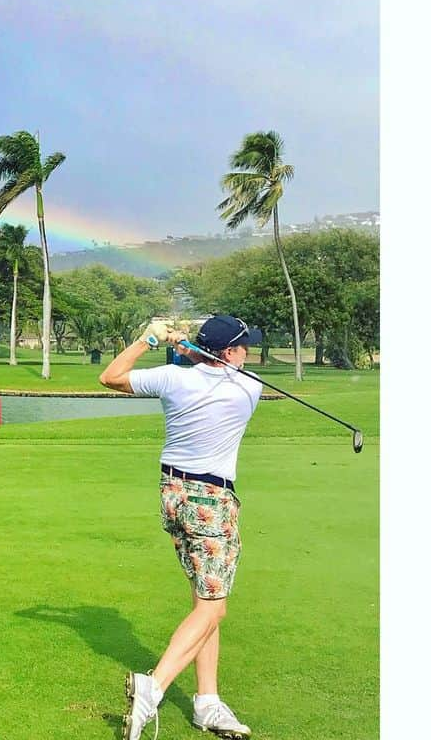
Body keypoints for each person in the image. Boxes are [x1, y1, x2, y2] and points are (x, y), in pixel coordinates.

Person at [98, 314, 263, 740]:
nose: (249, 353)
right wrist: (190, 345)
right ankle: (152, 688)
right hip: (211, 503)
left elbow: (111, 376)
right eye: (243, 347)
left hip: (173, 495)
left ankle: (207, 701)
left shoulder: (172, 379)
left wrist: (150, 339)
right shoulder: (249, 389)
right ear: (228, 353)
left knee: (203, 600)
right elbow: (209, 364)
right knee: (214, 607)